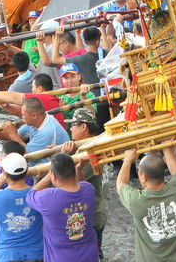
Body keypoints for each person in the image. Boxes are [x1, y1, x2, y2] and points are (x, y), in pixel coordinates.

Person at [117, 146, 176, 262]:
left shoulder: (136, 200)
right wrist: (166, 148)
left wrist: (127, 160)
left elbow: (120, 184)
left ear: (144, 177)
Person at [26, 153, 98, 262]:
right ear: (73, 171)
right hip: (89, 256)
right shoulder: (89, 190)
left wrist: (47, 175)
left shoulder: (47, 198)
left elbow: (30, 195)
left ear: (53, 176)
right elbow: (81, 183)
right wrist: (78, 170)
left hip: (60, 257)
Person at [62, 108, 110, 259]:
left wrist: (65, 157)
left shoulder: (88, 152)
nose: (71, 129)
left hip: (92, 213)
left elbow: (68, 181)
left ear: (83, 127)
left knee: (90, 253)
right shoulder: (98, 143)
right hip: (100, 207)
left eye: (74, 125)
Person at [0, 153, 44, 262]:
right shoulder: (38, 195)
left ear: (5, 173)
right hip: (36, 253)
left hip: (6, 255)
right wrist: (38, 180)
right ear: (27, 170)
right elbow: (33, 195)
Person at [0, 72, 66, 127]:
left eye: (33, 87)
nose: (32, 90)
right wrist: (7, 106)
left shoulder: (43, 97)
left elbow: (15, 97)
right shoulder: (50, 98)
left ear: (40, 88)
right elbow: (22, 113)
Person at [0, 97, 69, 163]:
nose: (22, 117)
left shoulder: (47, 131)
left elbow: (28, 154)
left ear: (34, 115)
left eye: (24, 115)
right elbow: (16, 136)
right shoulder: (36, 121)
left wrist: (12, 134)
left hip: (49, 169)